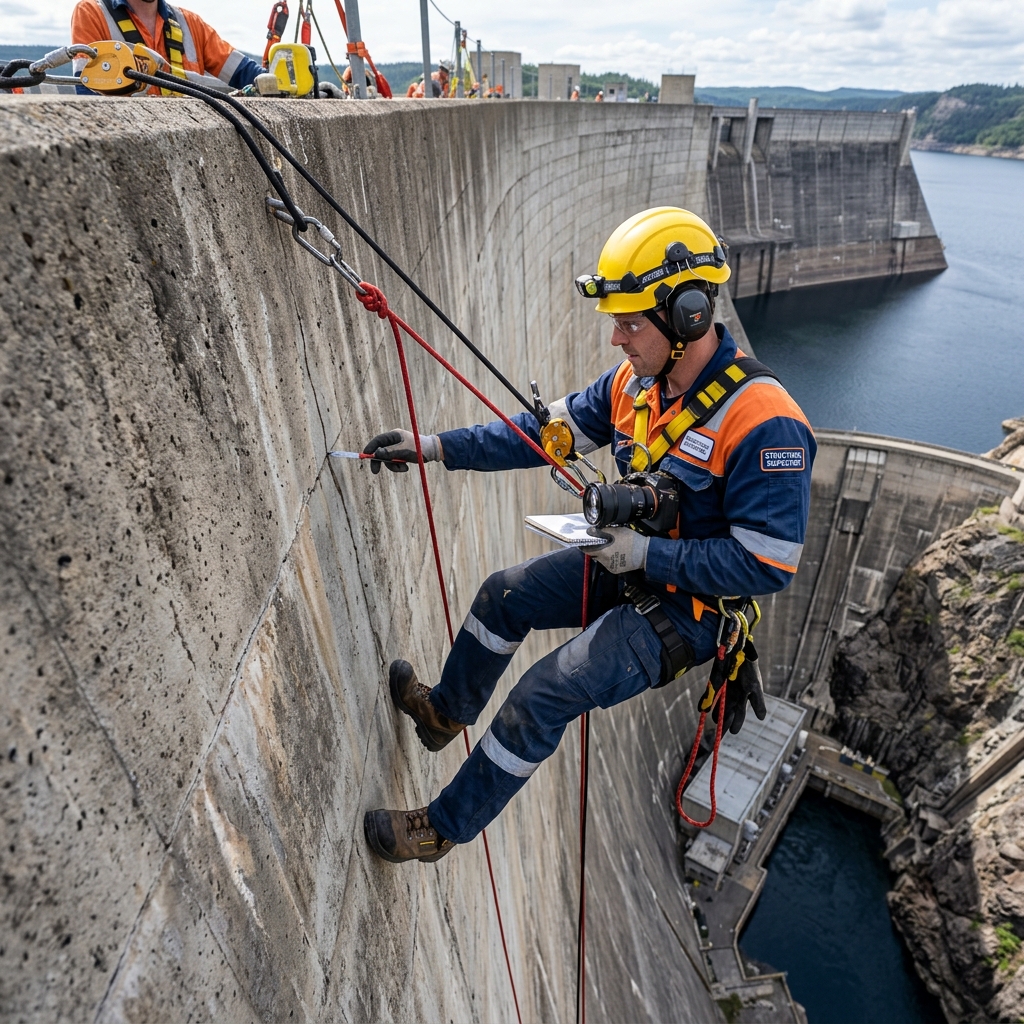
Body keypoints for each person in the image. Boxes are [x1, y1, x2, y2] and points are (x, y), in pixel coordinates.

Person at [361, 207, 816, 863]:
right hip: (627, 565)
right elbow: (542, 434)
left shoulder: (765, 422)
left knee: (541, 696)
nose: (616, 338)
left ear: (688, 314)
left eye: (630, 322)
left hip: (686, 614)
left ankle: (440, 830)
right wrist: (435, 447)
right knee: (502, 596)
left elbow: (766, 565)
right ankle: (443, 716)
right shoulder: (634, 386)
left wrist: (647, 552)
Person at [71, 0, 263, 95]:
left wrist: (279, 81)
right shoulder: (92, 14)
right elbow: (87, 92)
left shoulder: (190, 23)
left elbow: (244, 73)